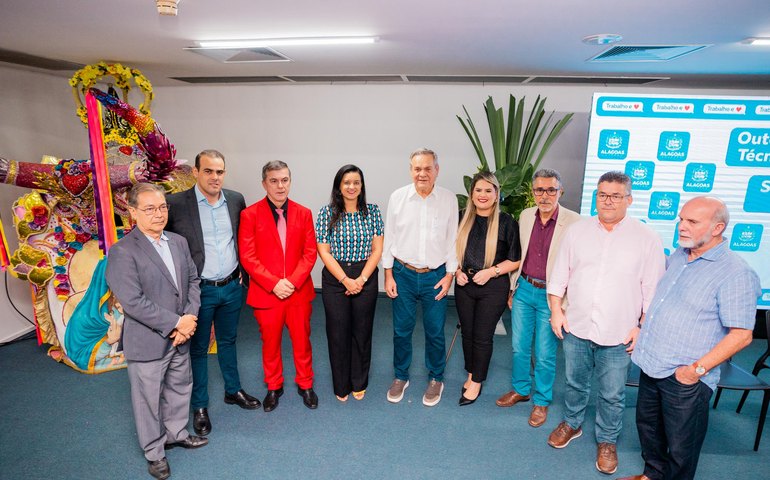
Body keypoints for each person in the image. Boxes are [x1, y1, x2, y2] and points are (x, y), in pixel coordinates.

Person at [619, 196, 761, 480]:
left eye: (692, 222)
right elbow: (662, 303)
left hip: (684, 378)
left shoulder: (736, 273)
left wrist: (695, 371)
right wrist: (641, 327)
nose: (681, 226)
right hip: (651, 365)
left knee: (682, 449)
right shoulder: (680, 256)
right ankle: (652, 475)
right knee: (650, 431)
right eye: (681, 219)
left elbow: (742, 336)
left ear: (718, 227)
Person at [546, 171, 665, 475]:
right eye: (602, 194)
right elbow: (559, 276)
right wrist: (557, 312)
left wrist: (642, 326)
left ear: (629, 199)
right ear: (595, 196)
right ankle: (572, 424)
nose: (607, 201)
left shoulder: (647, 238)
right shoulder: (577, 232)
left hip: (619, 332)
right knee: (574, 382)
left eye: (615, 195)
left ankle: (607, 441)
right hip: (577, 327)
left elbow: (653, 290)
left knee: (612, 393)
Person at [105, 183, 207, 480]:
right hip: (148, 339)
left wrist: (189, 317)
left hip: (181, 335)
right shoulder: (122, 251)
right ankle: (154, 451)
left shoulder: (177, 242)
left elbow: (193, 282)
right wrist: (178, 323)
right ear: (133, 212)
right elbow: (133, 302)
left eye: (162, 207)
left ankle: (176, 433)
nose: (158, 214)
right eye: (149, 208)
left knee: (179, 387)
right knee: (147, 398)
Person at [165, 149, 259, 438]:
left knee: (229, 340)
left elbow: (241, 238)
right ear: (195, 172)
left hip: (231, 286)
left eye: (219, 171)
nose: (215, 177)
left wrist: (244, 272)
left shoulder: (235, 200)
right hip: (199, 291)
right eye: (208, 171)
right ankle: (200, 406)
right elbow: (165, 245)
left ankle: (233, 390)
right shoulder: (176, 204)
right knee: (199, 349)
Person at [496, 168, 580, 427]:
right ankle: (521, 389)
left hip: (550, 295)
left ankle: (541, 401)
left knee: (544, 353)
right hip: (523, 290)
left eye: (551, 190)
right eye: (539, 190)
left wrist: (564, 303)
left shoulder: (575, 222)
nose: (545, 195)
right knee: (519, 346)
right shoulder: (524, 216)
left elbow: (576, 265)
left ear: (560, 191)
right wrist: (512, 288)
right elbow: (519, 255)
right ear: (533, 192)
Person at [239, 160, 318, 412]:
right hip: (266, 293)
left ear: (290, 181)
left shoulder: (304, 213)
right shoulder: (249, 215)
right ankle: (274, 386)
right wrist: (274, 284)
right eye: (274, 181)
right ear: (264, 184)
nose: (280, 186)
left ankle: (305, 384)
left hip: (297, 292)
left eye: (284, 180)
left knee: (302, 341)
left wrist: (292, 283)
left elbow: (309, 253)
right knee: (270, 343)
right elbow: (248, 257)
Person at [382, 148, 458, 407]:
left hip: (434, 276)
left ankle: (436, 377)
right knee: (401, 331)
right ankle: (400, 376)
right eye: (417, 169)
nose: (422, 173)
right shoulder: (397, 197)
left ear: (437, 169)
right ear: (410, 170)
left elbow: (452, 240)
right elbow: (389, 237)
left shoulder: (448, 199)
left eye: (427, 168)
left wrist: (449, 276)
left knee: (435, 331)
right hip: (402, 274)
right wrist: (388, 274)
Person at [316, 164, 383, 402]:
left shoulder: (373, 212)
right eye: (346, 182)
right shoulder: (326, 213)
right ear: (339, 186)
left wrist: (362, 279)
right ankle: (341, 384)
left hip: (365, 274)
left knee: (362, 332)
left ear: (361, 185)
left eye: (356, 182)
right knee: (337, 332)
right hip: (336, 278)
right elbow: (324, 252)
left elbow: (377, 250)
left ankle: (359, 382)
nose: (351, 187)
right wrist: (345, 280)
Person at [454, 171, 521, 405]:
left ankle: (477, 381)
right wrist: (457, 271)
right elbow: (451, 251)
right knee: (467, 333)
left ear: (496, 195)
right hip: (464, 285)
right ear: (471, 195)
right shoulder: (461, 217)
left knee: (482, 336)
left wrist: (490, 272)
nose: (482, 195)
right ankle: (471, 372)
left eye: (488, 190)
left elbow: (515, 259)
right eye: (478, 190)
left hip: (493, 287)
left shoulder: (507, 223)